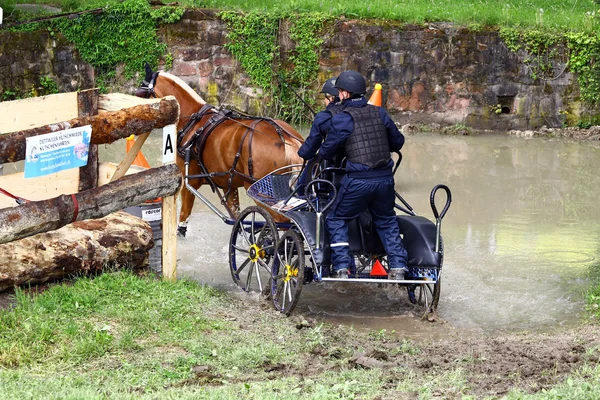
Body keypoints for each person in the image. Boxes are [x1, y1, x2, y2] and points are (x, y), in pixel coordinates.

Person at [317, 70, 408, 280]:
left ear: (345, 94)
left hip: (358, 181)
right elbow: (398, 142)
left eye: (339, 91)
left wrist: (323, 151)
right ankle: (398, 267)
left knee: (336, 218)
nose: (339, 95)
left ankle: (341, 267)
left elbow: (327, 152)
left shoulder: (342, 119)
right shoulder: (380, 113)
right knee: (386, 220)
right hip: (385, 180)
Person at [296, 77, 344, 194]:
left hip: (332, 168)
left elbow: (311, 147)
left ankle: (300, 193)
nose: (324, 101)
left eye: (325, 98)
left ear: (331, 98)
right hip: (352, 164)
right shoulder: (354, 111)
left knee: (312, 162)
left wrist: (302, 153)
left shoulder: (323, 117)